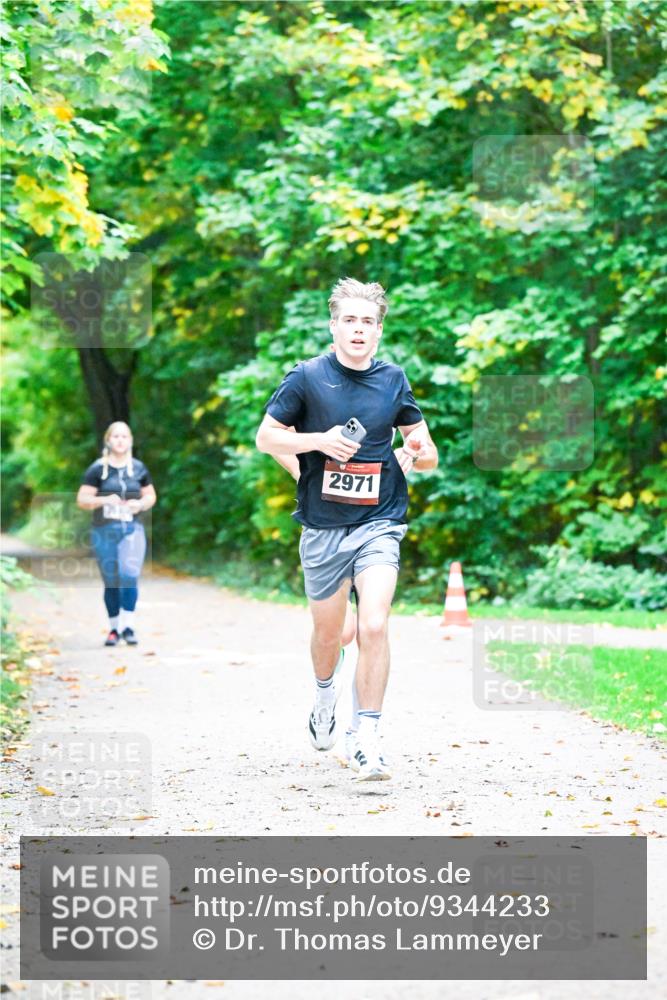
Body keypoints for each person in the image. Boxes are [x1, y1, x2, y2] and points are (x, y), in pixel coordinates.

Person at [256, 277, 438, 781]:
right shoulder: (307, 378)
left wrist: (418, 454)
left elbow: (428, 453)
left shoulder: (393, 380)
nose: (358, 329)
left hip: (380, 521)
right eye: (350, 320)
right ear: (334, 326)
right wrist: (319, 443)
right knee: (330, 634)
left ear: (378, 331)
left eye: (368, 322)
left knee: (375, 625)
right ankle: (323, 694)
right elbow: (267, 437)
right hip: (323, 527)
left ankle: (368, 737)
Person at [76, 421, 156, 646]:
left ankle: (128, 627)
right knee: (111, 581)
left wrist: (139, 505)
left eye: (124, 437)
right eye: (116, 437)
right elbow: (82, 499)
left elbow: (150, 496)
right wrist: (103, 500)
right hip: (104, 530)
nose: (120, 440)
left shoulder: (138, 468)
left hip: (132, 529)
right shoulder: (97, 469)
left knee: (130, 574)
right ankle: (114, 629)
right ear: (108, 440)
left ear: (130, 441)